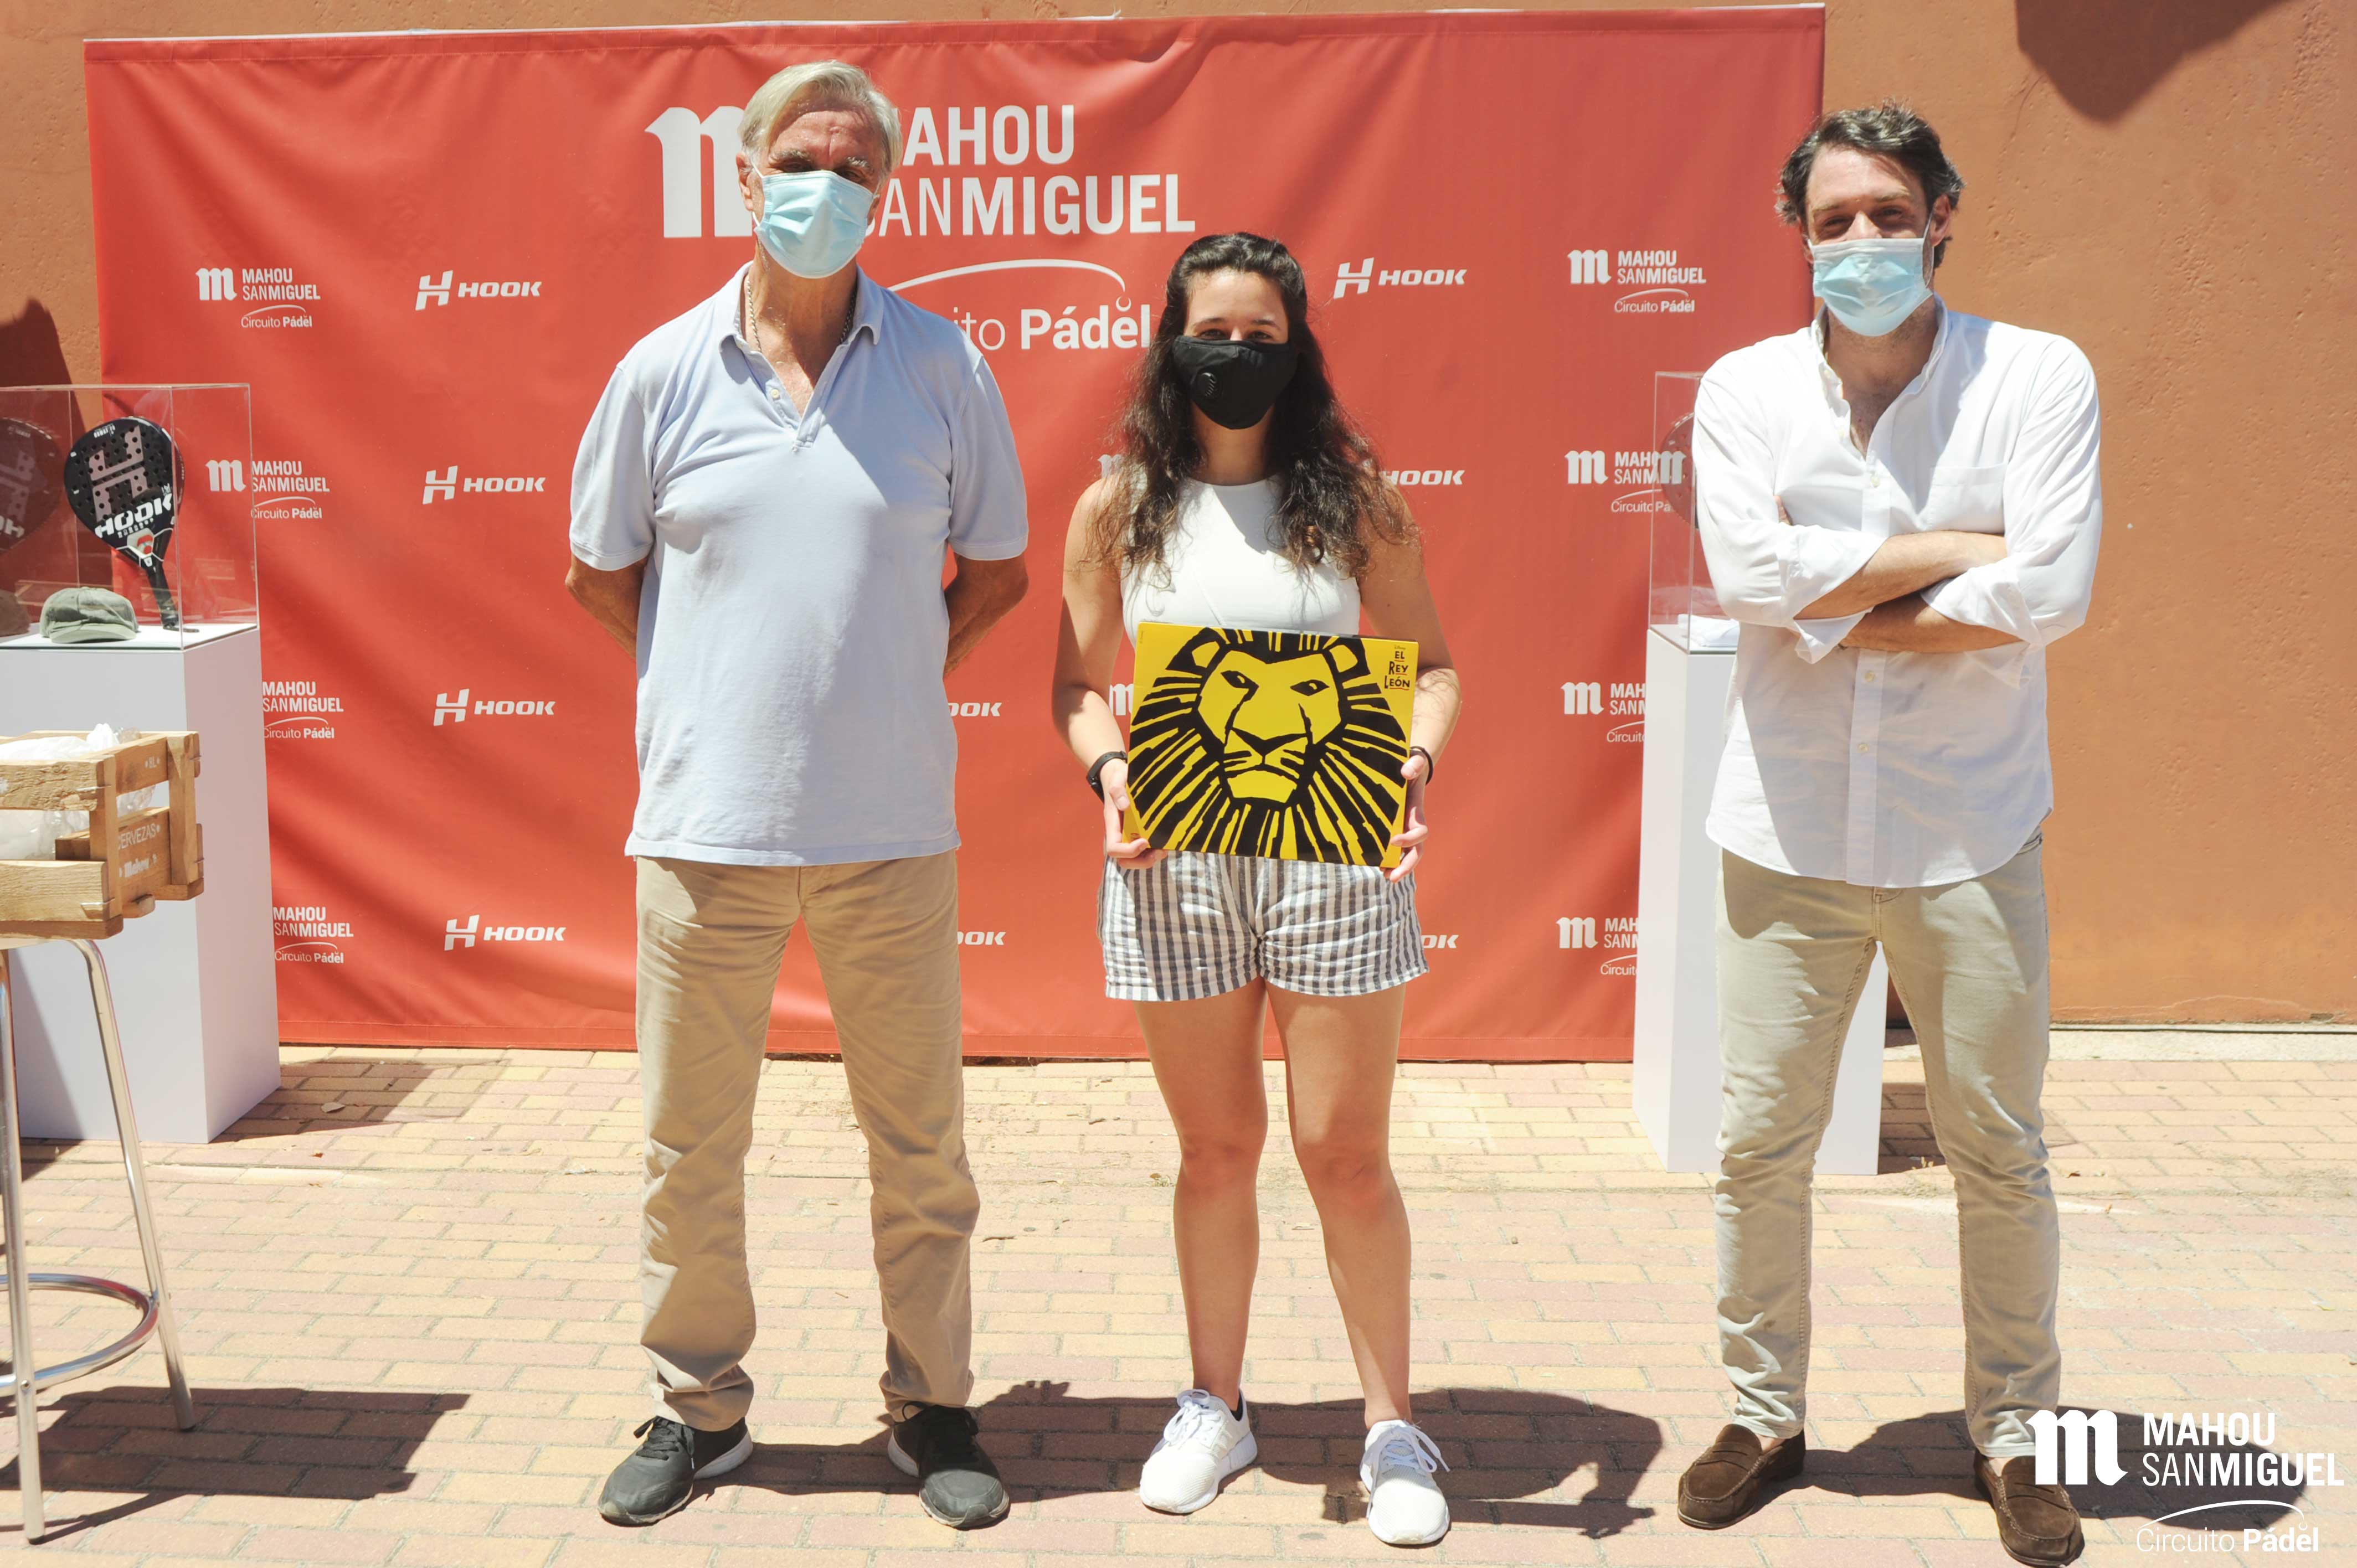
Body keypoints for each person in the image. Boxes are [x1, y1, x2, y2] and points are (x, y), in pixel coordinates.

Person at [565, 60, 1030, 1532]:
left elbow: (998, 570)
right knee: (688, 1149)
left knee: (922, 1146)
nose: (823, 187)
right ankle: (697, 1410)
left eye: (853, 166)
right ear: (745, 171)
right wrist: (713, 690)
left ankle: (932, 1408)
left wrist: (883, 677)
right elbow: (599, 571)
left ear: (886, 190)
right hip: (705, 831)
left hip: (891, 831)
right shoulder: (659, 371)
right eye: (799, 160)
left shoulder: (943, 367)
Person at [1680, 104, 2101, 1567]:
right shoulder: (1743, 388)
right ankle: (1763, 1417)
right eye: (1832, 221)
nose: (1860, 242)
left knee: (1999, 1148)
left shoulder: (2035, 375)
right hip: (1785, 830)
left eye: (1888, 214)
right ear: (1797, 236)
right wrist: (1961, 558)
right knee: (1758, 1145)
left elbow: (2053, 593)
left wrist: (1835, 600)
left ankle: (2016, 1436)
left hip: (1968, 828)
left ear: (1942, 218)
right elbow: (1746, 574)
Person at [1050, 233, 1464, 1548]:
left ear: (1299, 350)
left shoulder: (1355, 500)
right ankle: (1214, 1405)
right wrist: (1112, 774)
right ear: (1170, 344)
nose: (1233, 354)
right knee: (1216, 1151)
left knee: (1345, 1154)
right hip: (1174, 857)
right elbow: (1076, 686)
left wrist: (1407, 763)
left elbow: (1432, 667)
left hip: (1334, 854)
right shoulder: (1118, 507)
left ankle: (1392, 1426)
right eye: (1211, 332)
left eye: (1260, 335)